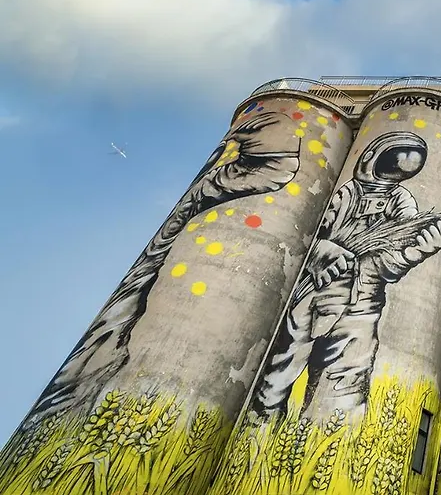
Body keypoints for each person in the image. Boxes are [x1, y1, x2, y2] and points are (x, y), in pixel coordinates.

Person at [27, 111, 302, 424]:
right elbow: (274, 168)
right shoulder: (214, 188)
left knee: (102, 356)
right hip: (134, 308)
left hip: (135, 309)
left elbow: (276, 168)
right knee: (99, 358)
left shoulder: (224, 184)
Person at [253, 131, 441, 419]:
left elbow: (390, 260)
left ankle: (324, 438)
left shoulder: (401, 200)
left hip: (363, 302)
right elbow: (304, 232)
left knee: (346, 386)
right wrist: (320, 250)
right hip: (315, 292)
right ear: (372, 157)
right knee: (280, 372)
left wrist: (413, 253)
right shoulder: (345, 194)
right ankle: (262, 424)